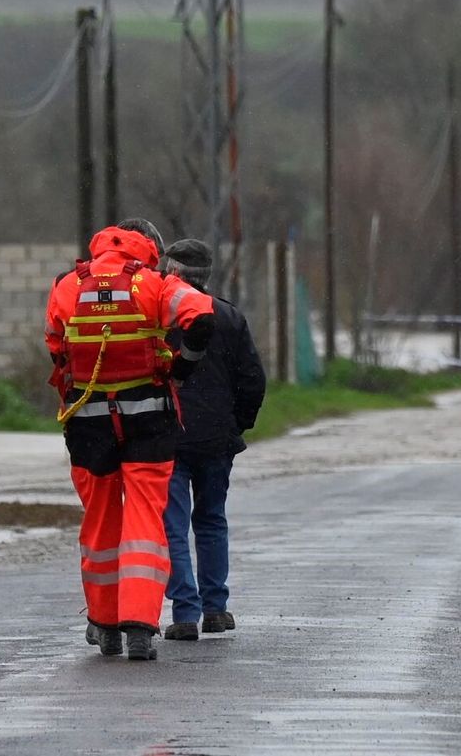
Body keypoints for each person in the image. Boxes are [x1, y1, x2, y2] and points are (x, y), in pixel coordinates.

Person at [45, 220, 215, 661]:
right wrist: (181, 369)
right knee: (145, 522)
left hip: (87, 422)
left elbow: (56, 346)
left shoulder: (68, 285)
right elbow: (202, 320)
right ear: (146, 252)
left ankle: (104, 625)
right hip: (148, 420)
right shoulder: (156, 284)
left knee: (100, 523)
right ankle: (140, 624)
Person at [158, 238, 266, 641]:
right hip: (217, 438)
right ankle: (216, 608)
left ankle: (184, 613)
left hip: (169, 434)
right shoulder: (229, 317)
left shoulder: (160, 316)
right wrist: (236, 423)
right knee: (211, 519)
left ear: (173, 274)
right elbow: (253, 378)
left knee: (172, 525)